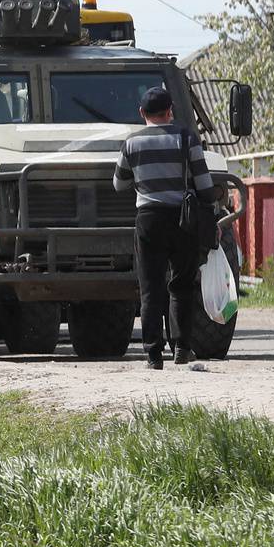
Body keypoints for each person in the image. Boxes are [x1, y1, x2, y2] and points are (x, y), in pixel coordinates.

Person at [112, 85, 218, 368]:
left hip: (148, 219)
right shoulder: (187, 138)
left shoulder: (131, 143)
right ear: (170, 110)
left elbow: (119, 184)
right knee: (181, 285)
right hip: (183, 219)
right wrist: (210, 211)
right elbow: (205, 184)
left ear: (141, 113)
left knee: (150, 287)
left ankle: (152, 354)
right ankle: (182, 348)